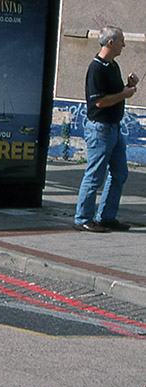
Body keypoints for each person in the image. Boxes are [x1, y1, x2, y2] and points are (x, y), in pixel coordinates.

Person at [74, 26, 138, 233]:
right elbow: (99, 102)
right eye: (121, 41)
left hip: (114, 128)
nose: (124, 45)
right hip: (100, 129)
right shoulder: (97, 68)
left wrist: (127, 86)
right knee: (94, 175)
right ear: (110, 43)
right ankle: (82, 218)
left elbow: (115, 93)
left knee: (120, 172)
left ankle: (106, 217)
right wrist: (124, 95)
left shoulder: (113, 65)